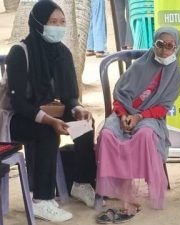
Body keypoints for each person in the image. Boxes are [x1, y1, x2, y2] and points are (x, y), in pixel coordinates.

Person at [5, 0, 97, 222]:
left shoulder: (62, 53)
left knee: (84, 125)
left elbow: (69, 96)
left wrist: (77, 109)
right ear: (38, 23)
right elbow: (19, 104)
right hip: (18, 118)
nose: (58, 27)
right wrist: (48, 120)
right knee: (47, 132)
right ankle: (42, 200)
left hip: (48, 111)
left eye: (62, 22)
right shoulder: (20, 52)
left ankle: (81, 183)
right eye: (52, 22)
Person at [95, 26, 180, 224]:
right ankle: (120, 192)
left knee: (144, 135)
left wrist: (139, 117)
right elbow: (119, 97)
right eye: (160, 45)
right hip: (123, 113)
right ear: (154, 44)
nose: (164, 50)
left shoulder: (176, 75)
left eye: (170, 46)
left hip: (150, 117)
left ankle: (135, 195)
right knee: (108, 134)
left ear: (176, 47)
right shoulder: (138, 67)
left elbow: (163, 108)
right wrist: (123, 115)